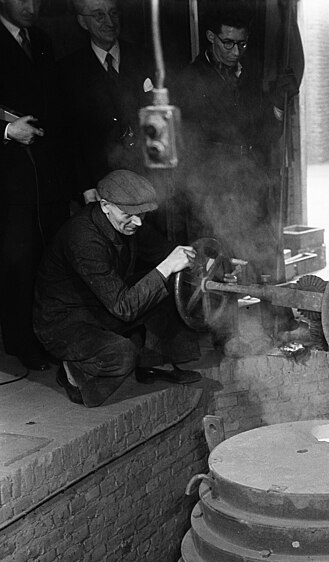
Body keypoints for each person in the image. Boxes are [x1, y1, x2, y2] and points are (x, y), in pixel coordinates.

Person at [34, 170, 201, 407]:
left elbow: (164, 250)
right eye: (130, 215)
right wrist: (167, 265)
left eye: (142, 214)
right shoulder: (83, 238)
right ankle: (74, 374)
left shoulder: (126, 221)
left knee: (168, 285)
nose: (139, 222)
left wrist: (202, 264)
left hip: (100, 305)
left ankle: (153, 363)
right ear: (105, 205)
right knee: (122, 354)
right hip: (65, 322)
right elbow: (124, 308)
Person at [172, 2, 296, 277]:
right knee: (218, 261)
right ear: (210, 37)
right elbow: (188, 142)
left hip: (251, 179)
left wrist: (277, 105)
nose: (235, 52)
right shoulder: (191, 79)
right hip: (212, 185)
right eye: (227, 43)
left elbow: (266, 133)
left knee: (264, 253)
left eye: (242, 44)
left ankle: (276, 315)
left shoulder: (249, 76)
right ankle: (222, 318)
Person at [0, 0, 70, 371]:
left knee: (50, 260)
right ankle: (20, 343)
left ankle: (49, 335)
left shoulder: (41, 39)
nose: (31, 6)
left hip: (46, 174)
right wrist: (8, 130)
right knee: (17, 263)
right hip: (9, 179)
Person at [57, 0, 156, 205]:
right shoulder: (69, 70)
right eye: (99, 15)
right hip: (100, 183)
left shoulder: (144, 58)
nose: (109, 22)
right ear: (83, 22)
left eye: (113, 13)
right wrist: (86, 186)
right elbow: (71, 136)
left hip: (147, 178)